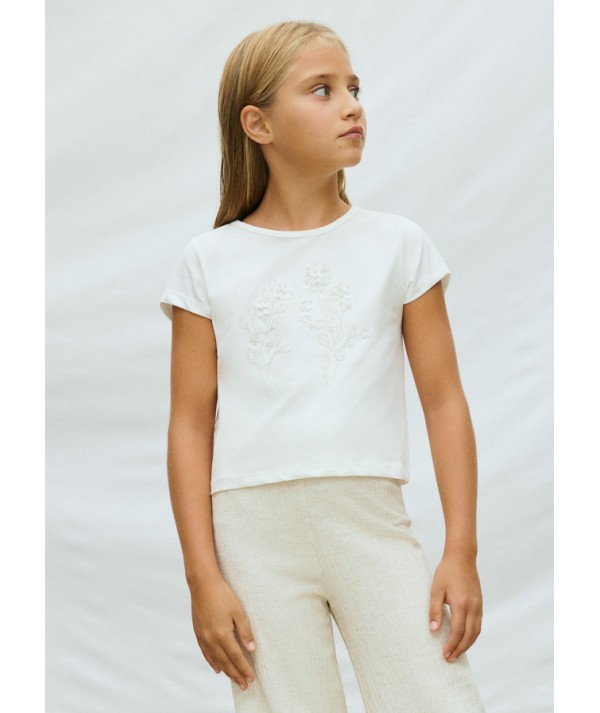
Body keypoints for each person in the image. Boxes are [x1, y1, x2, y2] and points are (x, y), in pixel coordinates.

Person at [159, 19, 487, 713]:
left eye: (354, 88)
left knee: (435, 697)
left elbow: (444, 401)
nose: (351, 106)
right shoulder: (207, 262)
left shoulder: (399, 245)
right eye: (322, 90)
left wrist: (461, 549)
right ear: (258, 124)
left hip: (369, 518)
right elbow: (189, 424)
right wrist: (202, 578)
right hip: (252, 532)